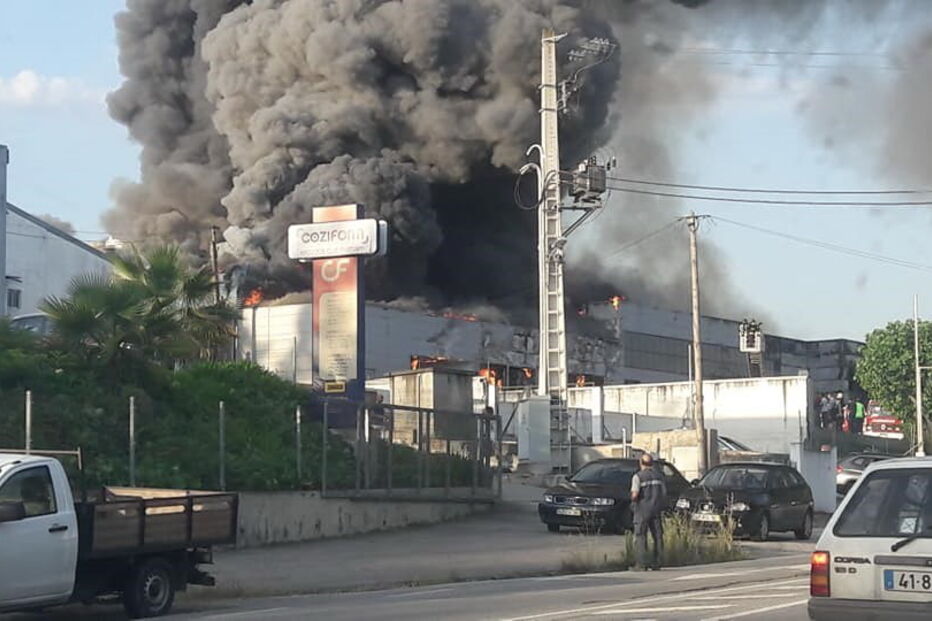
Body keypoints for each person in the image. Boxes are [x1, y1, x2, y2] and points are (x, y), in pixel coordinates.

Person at [630, 453, 667, 571]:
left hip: (642, 509)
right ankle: (657, 563)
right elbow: (664, 493)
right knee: (657, 536)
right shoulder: (659, 476)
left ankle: (641, 564)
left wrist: (632, 500)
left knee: (640, 536)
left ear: (641, 463)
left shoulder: (638, 476)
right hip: (656, 509)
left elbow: (635, 494)